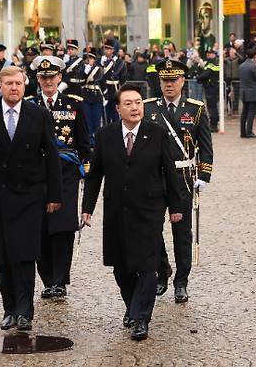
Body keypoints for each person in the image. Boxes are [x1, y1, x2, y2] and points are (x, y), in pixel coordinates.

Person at [81, 83, 184, 341]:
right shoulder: (105, 135)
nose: (135, 107)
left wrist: (176, 207)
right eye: (128, 103)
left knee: (147, 264)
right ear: (118, 109)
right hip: (116, 208)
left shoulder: (156, 133)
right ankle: (132, 306)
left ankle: (141, 318)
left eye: (138, 102)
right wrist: (87, 209)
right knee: (121, 266)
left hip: (149, 208)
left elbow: (170, 173)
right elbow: (95, 176)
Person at [0, 66, 62, 331]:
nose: (14, 88)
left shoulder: (38, 115)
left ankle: (24, 312)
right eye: (9, 83)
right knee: (2, 255)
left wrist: (55, 194)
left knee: (25, 255)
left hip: (30, 194)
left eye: (18, 83)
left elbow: (52, 156)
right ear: (0, 85)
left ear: (25, 85)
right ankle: (8, 308)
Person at [143, 59, 214, 303]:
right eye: (165, 80)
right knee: (152, 229)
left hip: (182, 178)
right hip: (154, 177)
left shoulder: (195, 109)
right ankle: (162, 272)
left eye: (173, 80)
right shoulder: (148, 107)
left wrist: (204, 174)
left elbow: (205, 145)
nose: (169, 85)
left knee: (182, 233)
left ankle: (181, 281)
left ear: (183, 81)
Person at [30, 56, 91, 299]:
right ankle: (47, 280)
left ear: (59, 78)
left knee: (63, 227)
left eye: (52, 77)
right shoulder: (30, 105)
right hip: (36, 173)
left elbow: (84, 141)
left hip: (66, 174)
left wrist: (87, 167)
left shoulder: (73, 105)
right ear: (38, 79)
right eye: (43, 77)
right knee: (41, 227)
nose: (48, 81)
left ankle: (60, 280)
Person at [239, 49, 256, 138]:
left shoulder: (241, 66)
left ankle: (243, 132)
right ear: (254, 56)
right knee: (251, 112)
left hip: (244, 92)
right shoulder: (254, 66)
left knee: (244, 112)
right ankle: (249, 131)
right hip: (253, 92)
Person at [197, 50, 220, 132]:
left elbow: (206, 74)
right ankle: (213, 124)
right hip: (210, 87)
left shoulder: (214, 63)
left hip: (212, 87)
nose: (208, 55)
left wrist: (199, 77)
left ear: (213, 54)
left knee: (212, 107)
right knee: (211, 107)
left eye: (210, 54)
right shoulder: (210, 63)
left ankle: (214, 125)